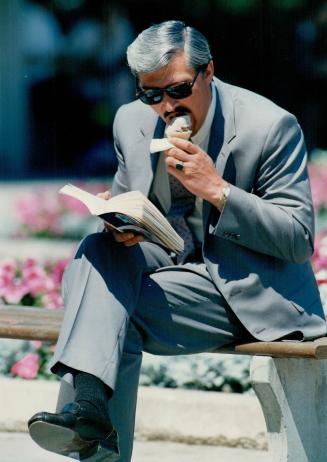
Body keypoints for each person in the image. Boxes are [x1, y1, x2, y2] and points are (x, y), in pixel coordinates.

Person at [27, 20, 326, 462]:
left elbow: (300, 239)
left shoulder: (269, 125)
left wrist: (218, 191)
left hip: (251, 293)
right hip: (174, 272)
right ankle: (91, 410)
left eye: (178, 89)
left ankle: (90, 425)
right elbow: (135, 206)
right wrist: (121, 224)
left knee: (106, 310)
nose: (166, 106)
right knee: (97, 253)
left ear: (208, 73)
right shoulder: (132, 122)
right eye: (151, 94)